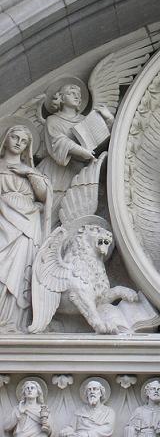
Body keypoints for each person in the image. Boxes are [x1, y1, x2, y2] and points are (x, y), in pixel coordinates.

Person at [0, 125, 51, 332]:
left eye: (24, 141)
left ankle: (13, 320)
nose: (18, 143)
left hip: (27, 226)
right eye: (15, 137)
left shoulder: (30, 171)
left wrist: (29, 172)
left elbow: (45, 196)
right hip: (3, 221)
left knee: (19, 270)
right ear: (5, 139)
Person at [38, 83, 112, 222]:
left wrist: (109, 120)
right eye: (72, 93)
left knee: (78, 209)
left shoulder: (86, 120)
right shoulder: (53, 120)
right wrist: (81, 151)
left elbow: (106, 140)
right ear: (61, 98)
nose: (77, 96)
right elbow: (58, 141)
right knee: (54, 211)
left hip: (82, 171)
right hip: (59, 170)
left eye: (78, 94)